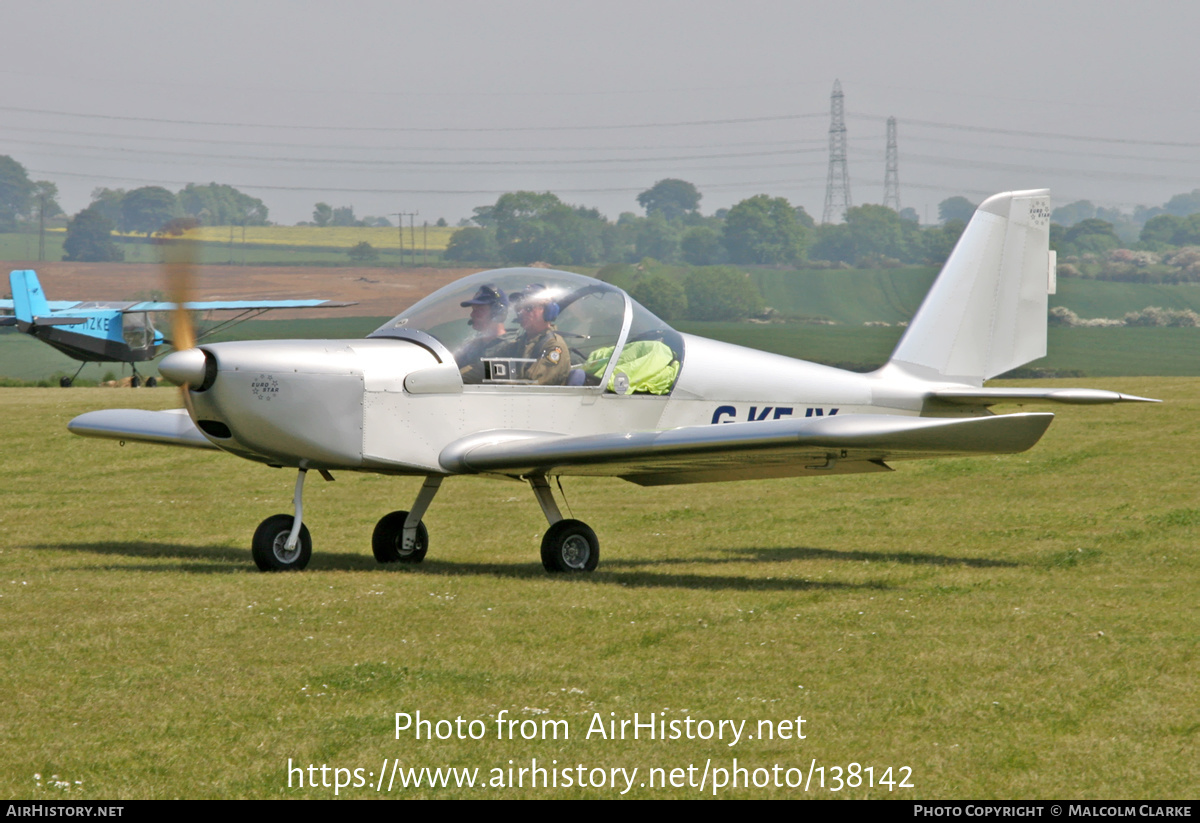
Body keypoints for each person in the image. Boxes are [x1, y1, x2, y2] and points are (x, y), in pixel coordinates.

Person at [499, 284, 571, 385]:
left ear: (547, 311)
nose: (521, 312)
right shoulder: (521, 342)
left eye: (528, 308)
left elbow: (531, 385)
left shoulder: (553, 346)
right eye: (519, 308)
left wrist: (496, 386)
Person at [455, 284, 510, 384]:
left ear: (497, 312)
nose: (472, 315)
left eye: (479, 310)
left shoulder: (511, 348)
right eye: (473, 309)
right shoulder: (472, 345)